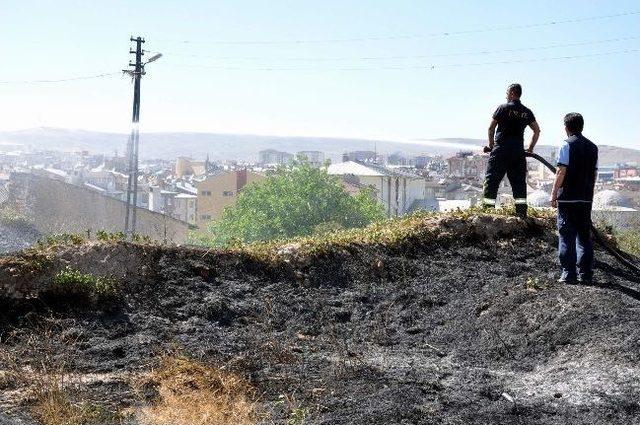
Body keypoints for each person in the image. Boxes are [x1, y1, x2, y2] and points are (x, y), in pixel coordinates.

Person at [550, 113, 598, 284]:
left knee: (566, 236)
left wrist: (554, 193)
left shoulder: (566, 145)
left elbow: (561, 171)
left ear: (566, 127)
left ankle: (568, 274)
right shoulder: (593, 147)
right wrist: (589, 196)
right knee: (584, 238)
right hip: (585, 199)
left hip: (568, 198)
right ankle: (585, 275)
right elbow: (594, 174)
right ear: (581, 126)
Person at [483, 83, 541, 218]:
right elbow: (537, 130)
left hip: (501, 150)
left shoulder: (502, 108)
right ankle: (521, 214)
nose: (506, 96)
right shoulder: (527, 112)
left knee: (492, 181)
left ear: (512, 93)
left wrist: (491, 145)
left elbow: (491, 128)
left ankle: (487, 213)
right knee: (519, 183)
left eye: (507, 93)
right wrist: (531, 148)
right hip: (518, 153)